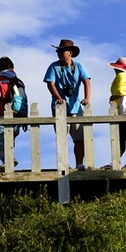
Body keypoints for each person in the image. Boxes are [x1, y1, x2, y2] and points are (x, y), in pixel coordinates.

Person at [44, 39, 91, 170]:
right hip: (59, 108)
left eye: (62, 51)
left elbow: (86, 82)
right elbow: (50, 84)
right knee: (61, 139)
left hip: (76, 108)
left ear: (70, 53)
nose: (59, 53)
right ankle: (63, 164)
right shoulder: (54, 67)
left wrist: (87, 98)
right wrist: (58, 98)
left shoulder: (79, 66)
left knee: (79, 138)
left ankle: (79, 164)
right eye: (58, 51)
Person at [0, 56, 27, 169]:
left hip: (2, 114)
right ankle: (8, 161)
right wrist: (24, 117)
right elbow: (24, 99)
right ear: (12, 68)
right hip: (17, 116)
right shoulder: (19, 82)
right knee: (9, 139)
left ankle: (8, 159)